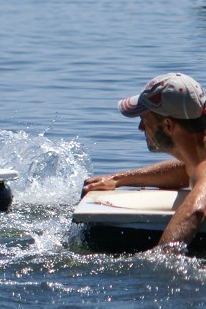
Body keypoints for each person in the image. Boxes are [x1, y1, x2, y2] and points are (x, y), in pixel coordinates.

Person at [82, 73, 206, 249]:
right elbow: (185, 170)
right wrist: (118, 179)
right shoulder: (198, 159)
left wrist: (161, 259)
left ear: (168, 125)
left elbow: (197, 210)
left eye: (144, 119)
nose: (140, 128)